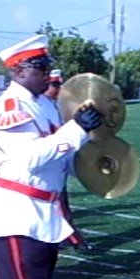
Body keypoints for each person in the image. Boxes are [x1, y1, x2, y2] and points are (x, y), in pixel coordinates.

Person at [0, 35, 102, 279]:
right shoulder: (11, 107)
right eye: (40, 66)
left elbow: (57, 157)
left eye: (47, 64)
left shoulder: (44, 104)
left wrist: (88, 148)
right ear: (18, 70)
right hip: (17, 214)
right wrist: (74, 130)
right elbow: (29, 159)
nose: (48, 72)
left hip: (41, 213)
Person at [44, 69, 90, 251]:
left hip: (59, 161)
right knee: (58, 203)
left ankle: (69, 236)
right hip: (48, 163)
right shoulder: (42, 106)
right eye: (55, 84)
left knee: (61, 201)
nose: (59, 89)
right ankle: (71, 237)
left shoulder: (53, 106)